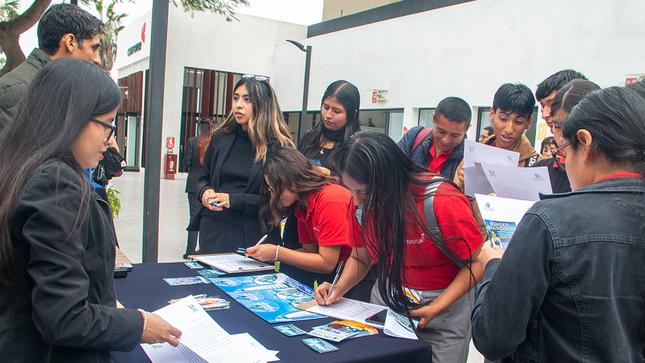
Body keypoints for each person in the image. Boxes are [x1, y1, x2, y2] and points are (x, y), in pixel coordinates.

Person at [0, 58, 180, 363]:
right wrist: (141, 324)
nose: (111, 141)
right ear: (72, 117)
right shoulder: (56, 182)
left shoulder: (22, 166)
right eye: (108, 125)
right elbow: (63, 318)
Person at [472, 85, 645, 362]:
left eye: (564, 150)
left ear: (585, 143)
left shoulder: (550, 220)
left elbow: (492, 337)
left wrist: (493, 265)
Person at [315, 131, 483, 363]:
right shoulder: (361, 207)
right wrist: (337, 290)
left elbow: (476, 264)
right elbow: (360, 258)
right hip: (390, 306)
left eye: (363, 191)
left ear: (388, 176)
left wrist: (437, 307)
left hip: (444, 310)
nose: (357, 200)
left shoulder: (442, 201)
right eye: (350, 190)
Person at [190, 76, 294, 254]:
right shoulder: (220, 137)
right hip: (214, 229)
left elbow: (281, 202)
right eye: (236, 98)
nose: (238, 105)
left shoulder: (279, 146)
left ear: (262, 104)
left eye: (247, 99)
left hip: (254, 233)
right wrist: (204, 192)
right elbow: (202, 179)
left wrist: (233, 200)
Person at [247, 147, 352, 287]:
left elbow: (327, 263)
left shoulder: (330, 199)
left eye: (274, 188)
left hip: (357, 276)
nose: (273, 195)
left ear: (290, 179)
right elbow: (309, 252)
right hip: (338, 275)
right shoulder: (302, 204)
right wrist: (270, 254)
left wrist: (277, 252)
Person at [454, 83, 539, 240]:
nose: (509, 128)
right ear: (492, 114)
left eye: (518, 122)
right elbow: (454, 208)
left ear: (529, 122)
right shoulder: (473, 157)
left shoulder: (535, 165)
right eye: (503, 118)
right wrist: (461, 184)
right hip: (472, 249)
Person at [0, 4, 103, 131]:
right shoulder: (20, 91)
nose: (97, 60)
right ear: (71, 42)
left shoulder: (50, 85)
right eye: (93, 48)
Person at [397, 96, 471, 180]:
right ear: (433, 118)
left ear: (467, 129)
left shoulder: (469, 160)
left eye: (454, 135)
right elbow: (392, 170)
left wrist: (468, 186)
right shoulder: (415, 137)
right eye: (441, 131)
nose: (445, 140)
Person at [297, 80, 361, 176]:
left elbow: (360, 187)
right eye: (326, 107)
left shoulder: (356, 146)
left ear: (353, 114)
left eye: (336, 111)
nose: (328, 115)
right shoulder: (309, 137)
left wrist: (329, 174)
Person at [183, 118, 213, 258]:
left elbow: (186, 162)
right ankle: (204, 249)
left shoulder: (192, 141)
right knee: (208, 217)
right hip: (209, 185)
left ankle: (190, 251)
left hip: (194, 183)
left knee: (194, 216)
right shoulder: (214, 142)